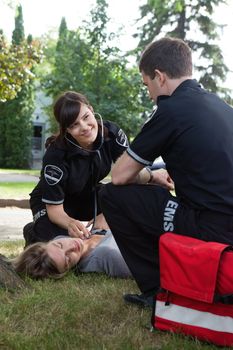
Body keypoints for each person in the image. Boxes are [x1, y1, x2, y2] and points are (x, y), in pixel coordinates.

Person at [100, 36, 233, 308]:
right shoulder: (222, 107)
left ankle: (157, 289)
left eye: (146, 84)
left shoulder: (170, 110)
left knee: (111, 195)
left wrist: (152, 176)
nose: (149, 93)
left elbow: (119, 175)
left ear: (159, 77)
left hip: (212, 227)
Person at [23, 91, 128, 246]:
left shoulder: (111, 133)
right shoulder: (56, 155)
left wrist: (105, 212)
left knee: (130, 200)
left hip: (88, 194)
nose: (84, 127)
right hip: (53, 202)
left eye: (86, 117)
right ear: (67, 130)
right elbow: (54, 209)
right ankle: (33, 231)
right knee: (64, 244)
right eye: (74, 125)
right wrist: (70, 223)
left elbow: (129, 173)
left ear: (91, 110)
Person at [13, 231, 132, 279]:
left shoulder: (61, 237)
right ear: (66, 271)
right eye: (67, 259)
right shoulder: (106, 255)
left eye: (59, 245)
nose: (71, 247)